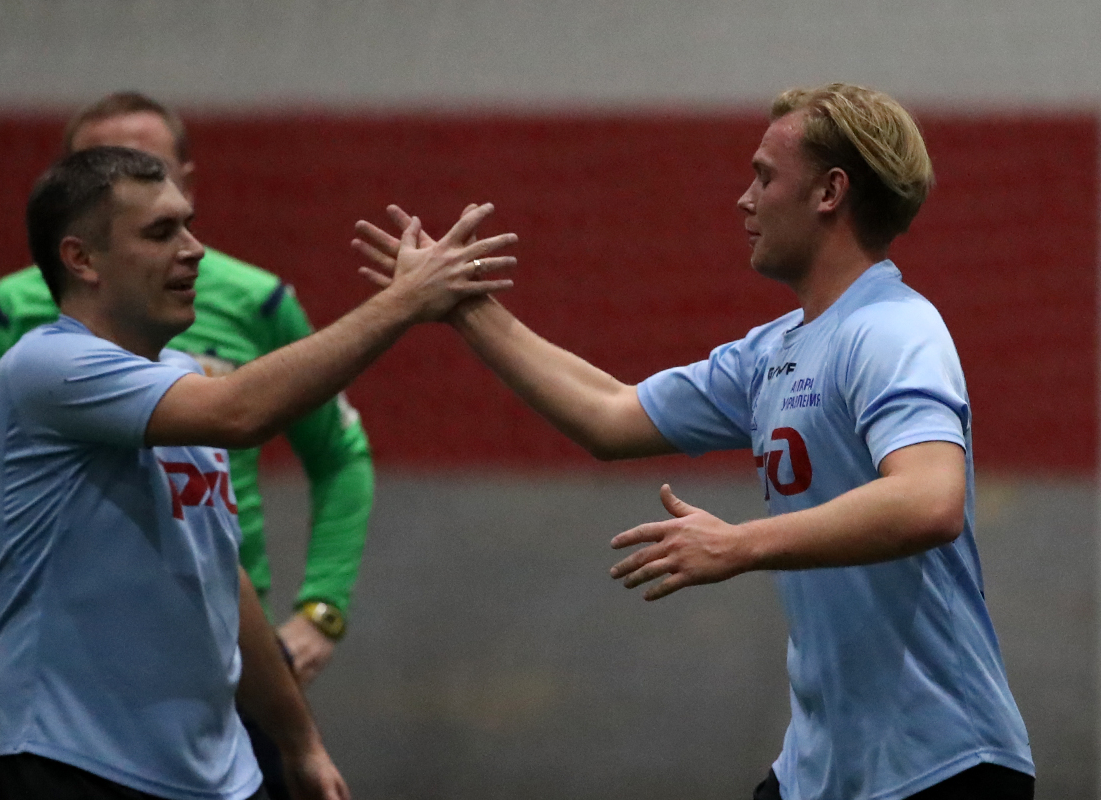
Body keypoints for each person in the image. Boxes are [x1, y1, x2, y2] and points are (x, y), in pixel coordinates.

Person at [353, 84, 1034, 800]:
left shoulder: (893, 329)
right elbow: (609, 414)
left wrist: (740, 544)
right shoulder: (774, 350)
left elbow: (929, 501)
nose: (744, 200)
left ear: (830, 192)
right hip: (824, 771)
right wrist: (459, 302)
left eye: (765, 177)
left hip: (943, 764)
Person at [0, 146, 511, 800]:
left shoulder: (180, 379)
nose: (194, 249)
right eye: (160, 232)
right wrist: (403, 302)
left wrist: (299, 740)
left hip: (216, 774)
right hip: (72, 759)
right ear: (81, 259)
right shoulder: (45, 367)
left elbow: (218, 576)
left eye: (189, 224)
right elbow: (242, 411)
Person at [0, 92, 376, 798]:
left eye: (157, 181)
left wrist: (319, 617)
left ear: (187, 183)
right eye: (97, 167)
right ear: (79, 246)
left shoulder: (244, 313)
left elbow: (236, 547)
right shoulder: (30, 335)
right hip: (78, 734)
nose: (189, 249)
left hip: (222, 703)